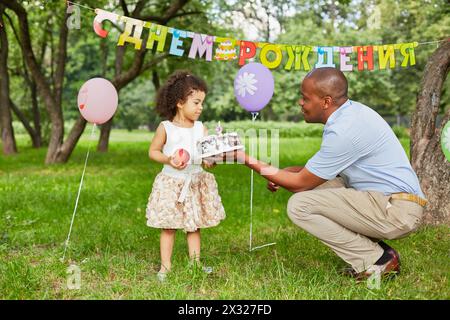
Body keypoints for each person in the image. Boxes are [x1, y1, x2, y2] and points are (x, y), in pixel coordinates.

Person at [228, 67, 427, 281]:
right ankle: (379, 253)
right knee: (318, 186)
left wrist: (243, 157)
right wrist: (287, 172)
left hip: (396, 210)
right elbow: (313, 174)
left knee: (300, 205)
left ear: (326, 102)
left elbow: (299, 184)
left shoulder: (345, 130)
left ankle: (376, 260)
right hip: (386, 200)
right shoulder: (350, 114)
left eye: (305, 98)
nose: (300, 103)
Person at [146, 70, 225, 282]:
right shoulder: (166, 128)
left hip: (194, 182)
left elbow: (207, 157)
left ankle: (196, 264)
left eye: (202, 103)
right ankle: (165, 267)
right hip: (172, 183)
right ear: (180, 102)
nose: (201, 108)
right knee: (169, 226)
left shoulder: (201, 128)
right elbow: (153, 151)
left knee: (194, 225)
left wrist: (211, 160)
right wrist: (168, 159)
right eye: (196, 103)